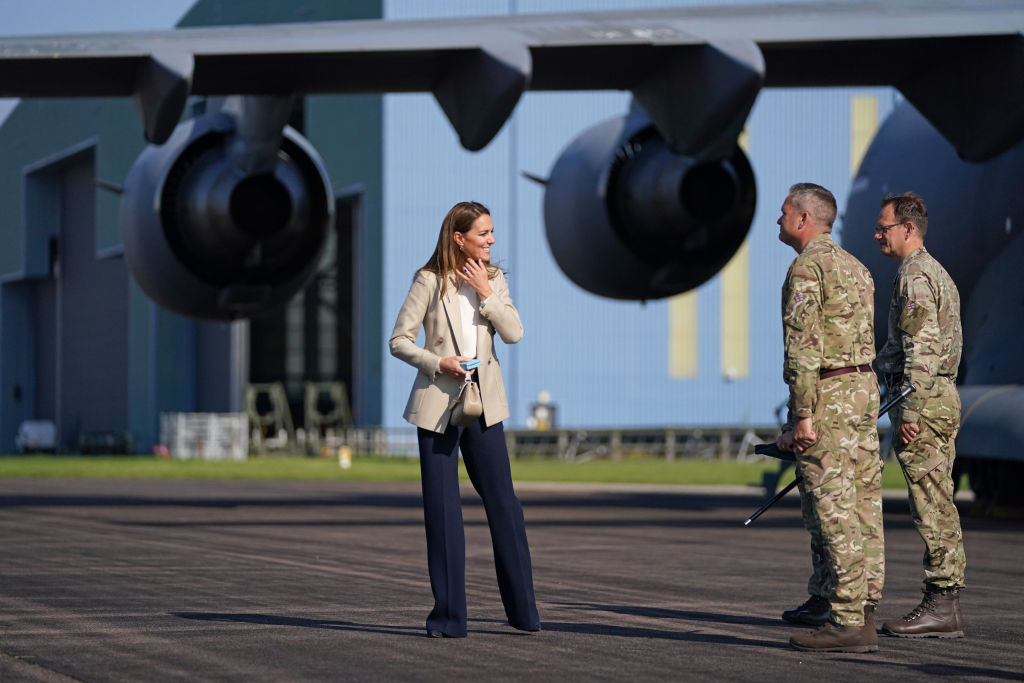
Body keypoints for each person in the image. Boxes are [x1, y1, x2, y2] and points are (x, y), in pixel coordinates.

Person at [389, 200, 541, 638]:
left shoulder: (493, 280)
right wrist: (439, 363)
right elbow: (399, 341)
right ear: (459, 238)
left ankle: (524, 614)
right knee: (442, 511)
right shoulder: (429, 280)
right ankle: (449, 619)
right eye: (483, 234)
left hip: (484, 406)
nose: (492, 240)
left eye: (492, 233)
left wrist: (488, 294)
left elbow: (513, 334)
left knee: (505, 507)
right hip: (437, 405)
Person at [774, 183, 883, 653]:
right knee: (863, 504)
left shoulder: (807, 268)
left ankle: (847, 619)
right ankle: (865, 604)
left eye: (783, 213)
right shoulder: (857, 267)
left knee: (832, 508)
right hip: (862, 390)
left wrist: (801, 415)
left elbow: (804, 349)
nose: (777, 222)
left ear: (803, 219)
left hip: (830, 393)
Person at [873, 192, 966, 638]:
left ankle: (942, 604)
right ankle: (941, 601)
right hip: (934, 399)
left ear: (908, 228)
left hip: (924, 404)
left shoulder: (915, 276)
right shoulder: (934, 273)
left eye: (884, 227)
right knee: (934, 499)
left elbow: (923, 348)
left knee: (931, 505)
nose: (877, 234)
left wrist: (909, 409)